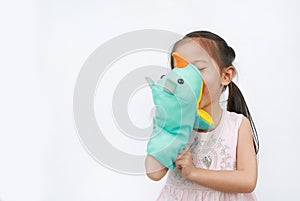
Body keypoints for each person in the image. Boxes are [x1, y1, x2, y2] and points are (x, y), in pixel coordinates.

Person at [145, 30, 259, 201]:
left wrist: (194, 173)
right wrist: (166, 129)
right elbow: (154, 173)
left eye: (198, 69)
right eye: (180, 71)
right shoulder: (176, 124)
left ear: (225, 75)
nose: (189, 79)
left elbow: (248, 180)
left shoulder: (237, 124)